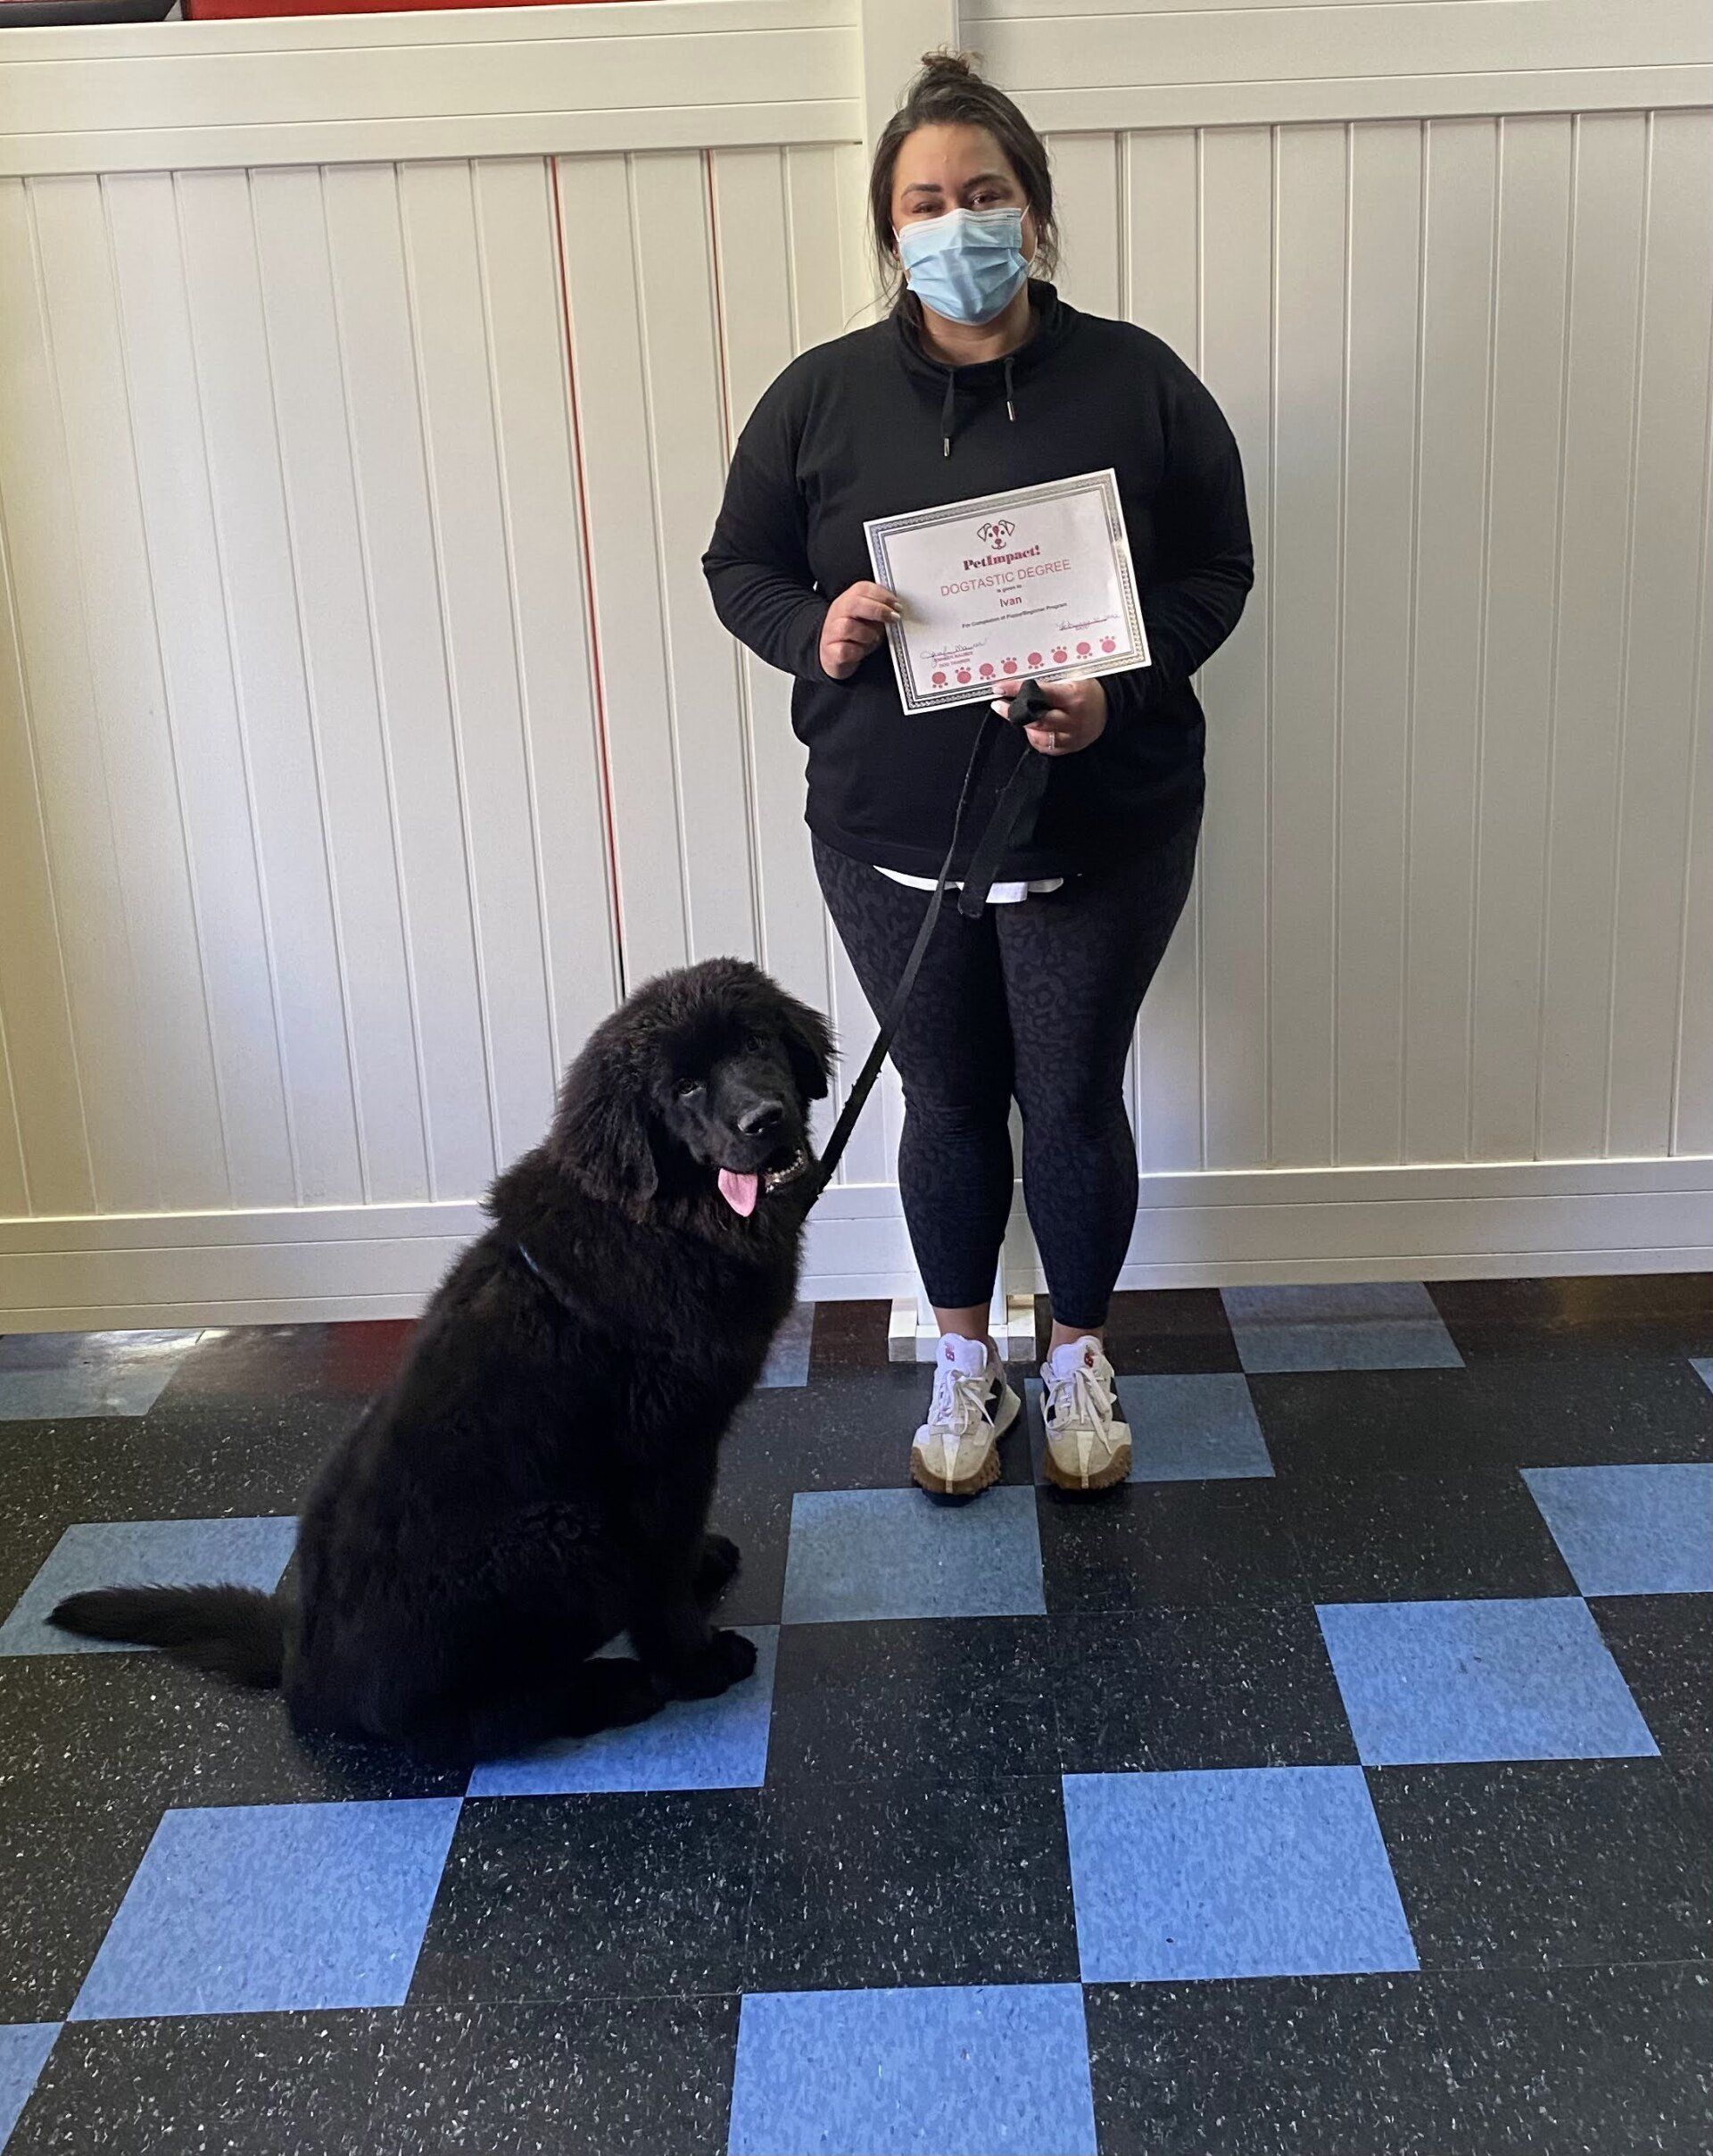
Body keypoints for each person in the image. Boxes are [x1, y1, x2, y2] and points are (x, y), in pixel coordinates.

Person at [703, 51, 1253, 1498]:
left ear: (1036, 212)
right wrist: (812, 629)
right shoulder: (819, 399)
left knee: (1070, 1100)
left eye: (986, 194)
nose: (959, 224)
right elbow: (739, 567)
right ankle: (966, 1365)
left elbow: (1214, 571)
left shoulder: (1139, 382)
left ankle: (1075, 1357)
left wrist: (1115, 691)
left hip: (1106, 825)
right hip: (888, 834)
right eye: (927, 202)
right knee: (946, 1099)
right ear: (892, 233)